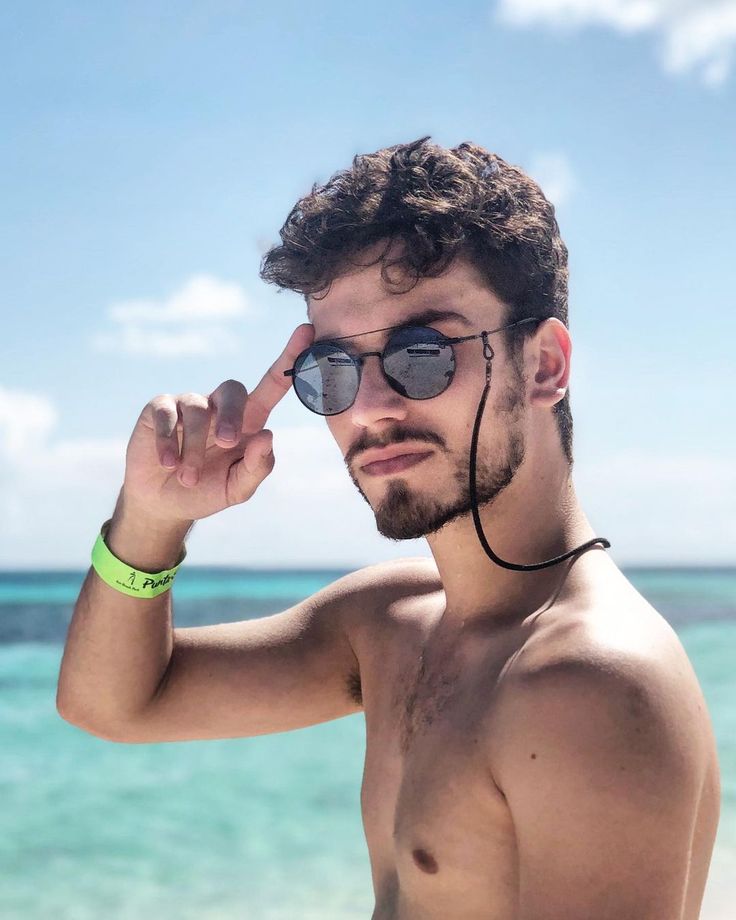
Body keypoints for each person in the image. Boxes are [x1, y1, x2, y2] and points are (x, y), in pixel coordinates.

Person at [57, 137, 721, 919]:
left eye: (422, 352)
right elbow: (116, 704)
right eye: (333, 369)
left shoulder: (589, 684)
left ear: (543, 366)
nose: (370, 408)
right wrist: (152, 518)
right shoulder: (390, 625)